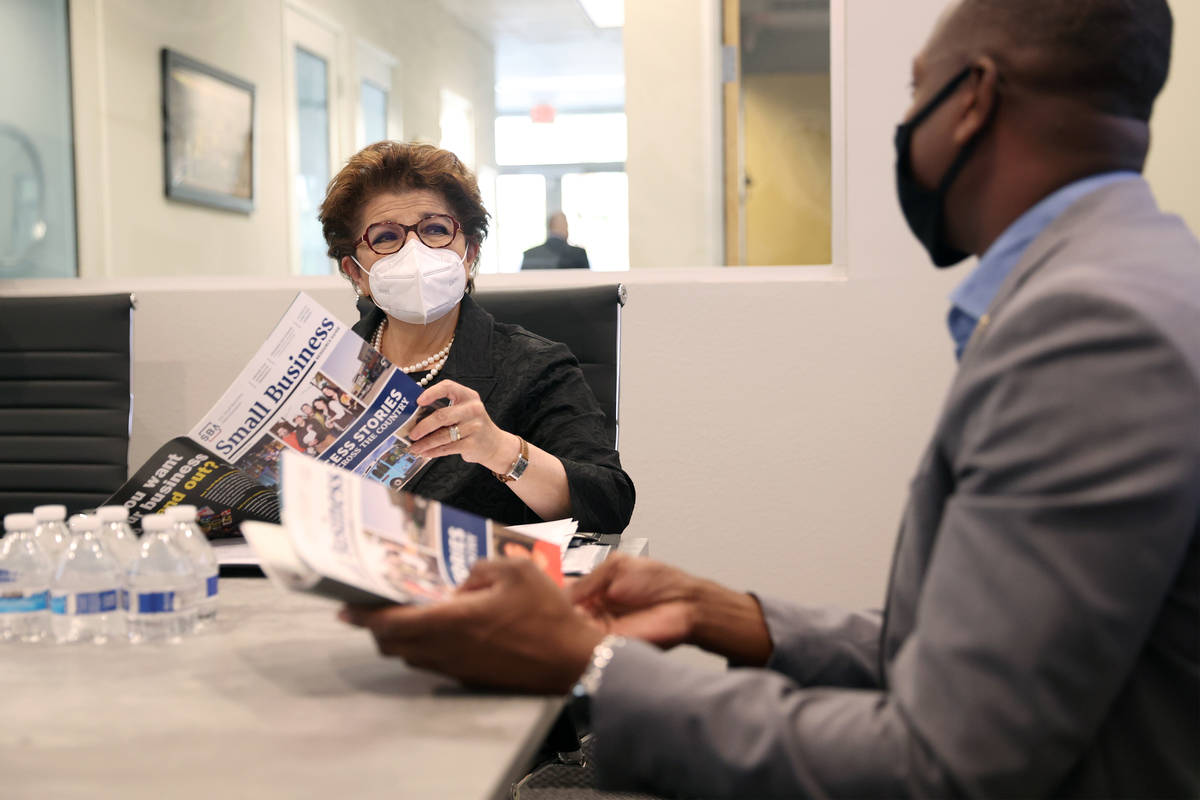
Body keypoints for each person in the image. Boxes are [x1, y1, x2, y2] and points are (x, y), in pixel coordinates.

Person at [339, 1, 1200, 796]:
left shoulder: (1094, 329)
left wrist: (591, 663)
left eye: (913, 93)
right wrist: (733, 616)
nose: (902, 126)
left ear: (971, 101)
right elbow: (991, 655)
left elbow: (948, 759)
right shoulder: (1132, 281)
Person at [318, 142, 633, 534]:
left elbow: (608, 503)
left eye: (436, 229)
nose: (415, 252)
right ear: (356, 272)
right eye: (385, 237)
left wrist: (499, 450)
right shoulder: (324, 367)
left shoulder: (535, 365)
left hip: (483, 586)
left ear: (468, 256)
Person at [520, 212, 590, 270]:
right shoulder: (578, 254)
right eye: (566, 225)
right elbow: (588, 283)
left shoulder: (529, 254)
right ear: (565, 227)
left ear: (550, 227)